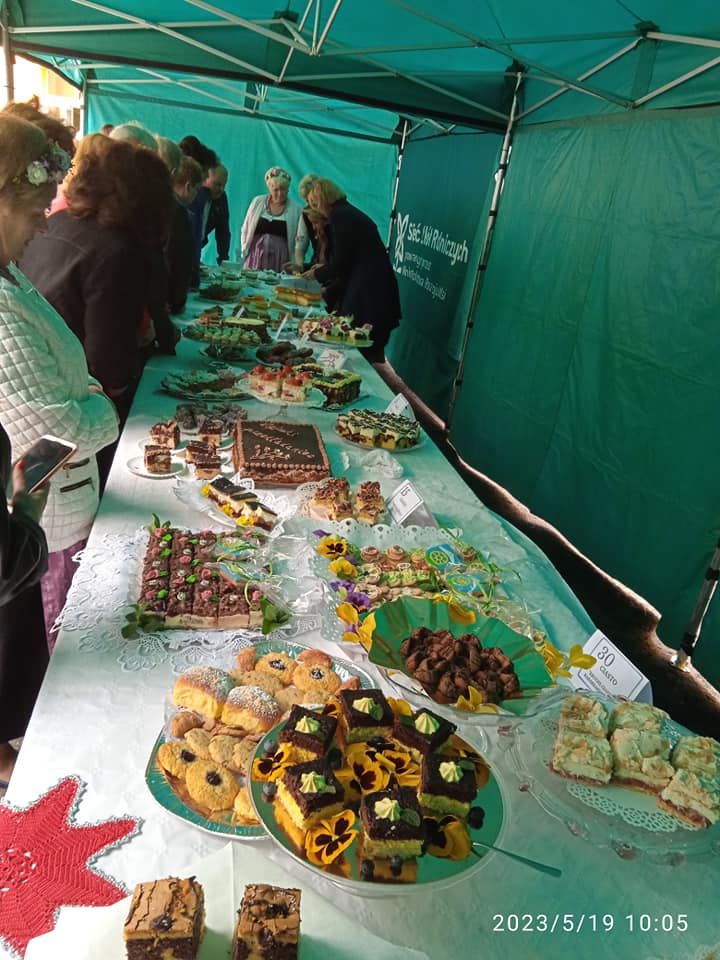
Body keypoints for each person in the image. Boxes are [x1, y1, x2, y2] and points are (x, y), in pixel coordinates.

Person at [0, 116, 118, 760]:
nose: (43, 226)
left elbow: (72, 381)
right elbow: (56, 427)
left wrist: (84, 398)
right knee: (57, 657)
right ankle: (53, 756)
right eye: (32, 212)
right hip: (46, 512)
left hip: (54, 504)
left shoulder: (11, 275)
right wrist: (99, 410)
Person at [19, 134, 173, 484]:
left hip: (34, 397)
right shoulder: (118, 248)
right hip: (75, 412)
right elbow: (109, 362)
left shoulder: (57, 221)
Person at [306, 178, 400, 363]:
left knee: (359, 350)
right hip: (372, 287)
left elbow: (342, 261)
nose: (317, 209)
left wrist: (315, 275)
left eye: (315, 204)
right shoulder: (346, 212)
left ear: (323, 199)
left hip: (369, 292)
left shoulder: (339, 216)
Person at [241, 166, 308, 271]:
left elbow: (301, 238)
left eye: (283, 189)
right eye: (276, 190)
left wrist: (297, 262)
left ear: (288, 189)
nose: (280, 194)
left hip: (281, 259)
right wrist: (244, 248)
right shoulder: (257, 202)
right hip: (255, 256)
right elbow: (245, 228)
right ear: (269, 188)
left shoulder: (296, 209)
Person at [168, 155, 203, 315]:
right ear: (188, 186)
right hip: (168, 298)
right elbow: (181, 261)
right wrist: (178, 301)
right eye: (197, 189)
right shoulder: (179, 213)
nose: (197, 195)